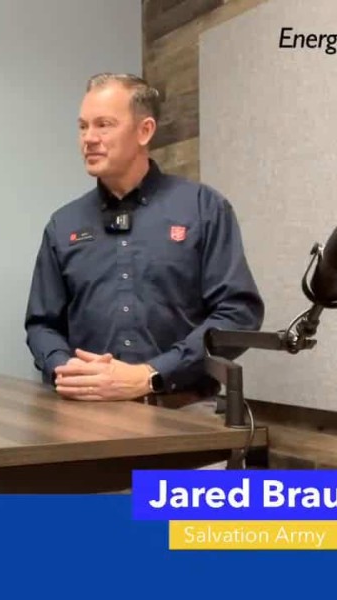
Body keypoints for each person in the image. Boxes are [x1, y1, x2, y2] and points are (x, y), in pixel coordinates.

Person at [24, 73, 264, 412]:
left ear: (144, 131)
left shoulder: (203, 208)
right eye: (82, 127)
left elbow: (239, 313)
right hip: (86, 414)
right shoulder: (63, 224)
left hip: (184, 411)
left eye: (104, 125)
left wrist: (151, 374)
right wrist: (66, 369)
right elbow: (42, 323)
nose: (89, 139)